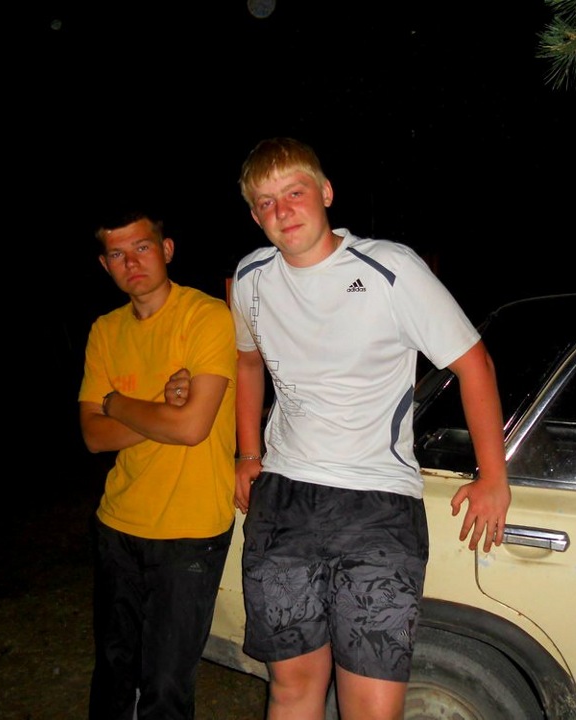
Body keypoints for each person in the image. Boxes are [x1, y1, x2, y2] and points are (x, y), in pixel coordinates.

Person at [229, 136, 510, 720]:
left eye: (294, 193)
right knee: (291, 688)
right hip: (284, 501)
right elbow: (248, 361)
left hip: (377, 505)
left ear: (326, 192)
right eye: (265, 202)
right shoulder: (251, 277)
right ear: (255, 216)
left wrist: (493, 476)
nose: (282, 211)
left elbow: (473, 363)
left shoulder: (390, 268)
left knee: (371, 707)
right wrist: (248, 454)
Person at [77, 205, 237, 720]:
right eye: (117, 254)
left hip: (191, 529)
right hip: (117, 524)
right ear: (105, 265)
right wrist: (159, 409)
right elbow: (93, 437)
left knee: (166, 684)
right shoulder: (105, 330)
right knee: (113, 670)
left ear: (166, 250)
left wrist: (115, 403)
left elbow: (191, 429)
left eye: (142, 247)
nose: (132, 262)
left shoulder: (206, 316)